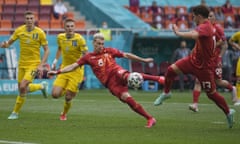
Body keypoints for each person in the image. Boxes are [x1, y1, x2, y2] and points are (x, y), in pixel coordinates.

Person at [48, 33, 165, 128]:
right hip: (110, 84)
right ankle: (150, 118)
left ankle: (159, 79)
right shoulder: (88, 57)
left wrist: (143, 60)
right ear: (93, 43)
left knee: (130, 76)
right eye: (98, 44)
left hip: (117, 73)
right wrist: (58, 72)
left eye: (102, 44)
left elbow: (127, 55)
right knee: (127, 99)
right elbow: (73, 66)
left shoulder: (109, 51)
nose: (101, 46)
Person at [153, 5, 235, 128]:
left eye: (194, 16)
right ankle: (166, 93)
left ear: (199, 16)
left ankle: (229, 113)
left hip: (204, 68)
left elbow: (193, 35)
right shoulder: (209, 26)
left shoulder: (206, 27)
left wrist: (178, 32)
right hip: (192, 61)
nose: (192, 18)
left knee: (211, 94)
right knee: (170, 70)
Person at [0, 11, 50, 120]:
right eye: (27, 18)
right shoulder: (19, 30)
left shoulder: (40, 32)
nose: (29, 20)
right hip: (21, 64)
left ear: (34, 19)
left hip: (33, 64)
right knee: (22, 89)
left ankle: (15, 112)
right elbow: (9, 43)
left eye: (31, 18)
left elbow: (46, 50)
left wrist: (41, 65)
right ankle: (41, 86)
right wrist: (4, 45)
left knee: (23, 86)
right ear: (25, 20)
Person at [189, 11, 237, 112]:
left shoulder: (217, 28)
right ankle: (195, 104)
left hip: (214, 60)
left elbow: (224, 44)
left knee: (218, 81)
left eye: (211, 16)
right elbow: (198, 42)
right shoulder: (203, 28)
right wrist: (194, 52)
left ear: (214, 18)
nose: (209, 18)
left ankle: (232, 88)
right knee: (198, 80)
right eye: (208, 16)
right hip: (204, 60)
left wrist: (219, 57)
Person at [51, 18, 88, 121]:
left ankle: (64, 113)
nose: (70, 28)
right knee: (55, 95)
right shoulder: (60, 37)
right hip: (64, 69)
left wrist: (80, 63)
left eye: (72, 26)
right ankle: (69, 90)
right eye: (68, 26)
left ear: (75, 27)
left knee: (68, 97)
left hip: (76, 71)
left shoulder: (80, 39)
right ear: (64, 27)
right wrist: (55, 61)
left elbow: (86, 54)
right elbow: (59, 48)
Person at [229, 31, 240, 105]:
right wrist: (238, 47)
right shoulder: (238, 34)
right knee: (239, 79)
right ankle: (238, 99)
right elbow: (230, 41)